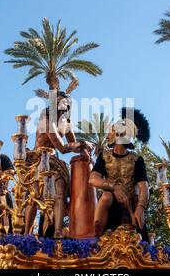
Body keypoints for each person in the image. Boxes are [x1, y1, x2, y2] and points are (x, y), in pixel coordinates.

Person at [25, 90, 93, 238]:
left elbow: (73, 144)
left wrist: (85, 151)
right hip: (38, 160)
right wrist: (83, 144)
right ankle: (26, 234)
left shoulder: (67, 124)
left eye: (64, 102)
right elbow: (62, 147)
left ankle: (57, 231)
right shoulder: (47, 120)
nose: (61, 104)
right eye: (58, 102)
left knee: (61, 193)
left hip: (55, 163)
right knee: (34, 197)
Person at [89, 108, 150, 241]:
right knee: (106, 196)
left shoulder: (136, 160)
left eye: (111, 131)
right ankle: (97, 235)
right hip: (109, 207)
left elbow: (143, 187)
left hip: (130, 208)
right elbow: (93, 179)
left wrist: (140, 208)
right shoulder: (104, 156)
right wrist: (114, 187)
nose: (108, 135)